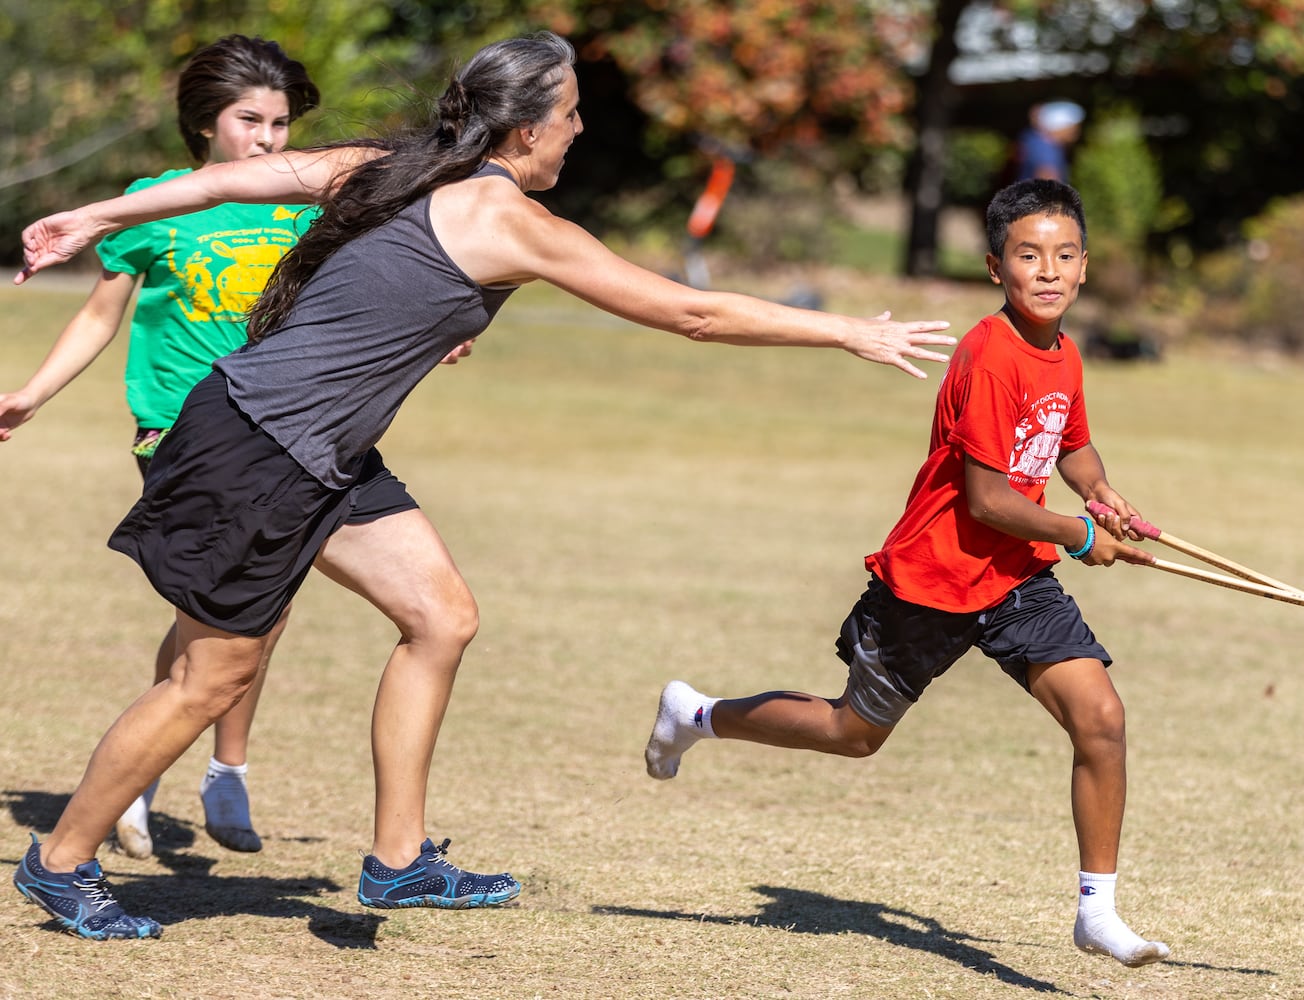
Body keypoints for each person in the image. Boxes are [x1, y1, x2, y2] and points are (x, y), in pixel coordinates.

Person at [9, 30, 954, 941]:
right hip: (261, 446)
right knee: (211, 677)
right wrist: (844, 331)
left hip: (321, 451)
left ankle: (399, 861)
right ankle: (62, 860)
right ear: (526, 128)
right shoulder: (508, 220)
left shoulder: (402, 165)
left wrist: (100, 213)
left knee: (441, 616)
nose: (580, 131)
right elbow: (691, 311)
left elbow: (235, 178)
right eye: (572, 114)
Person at [645, 178, 1172, 969]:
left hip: (1015, 577)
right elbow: (988, 498)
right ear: (997, 268)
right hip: (934, 577)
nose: (1049, 270)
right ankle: (698, 715)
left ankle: (1097, 910)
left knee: (1101, 719)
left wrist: (1098, 490)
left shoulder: (1062, 351)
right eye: (1029, 256)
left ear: (1086, 267)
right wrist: (1078, 532)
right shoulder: (990, 356)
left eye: (1065, 255)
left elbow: (1068, 439)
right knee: (851, 734)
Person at [0, 35, 322, 860]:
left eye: (280, 123)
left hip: (279, 429)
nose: (269, 139)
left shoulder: (305, 204)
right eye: (250, 119)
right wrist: (34, 391)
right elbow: (101, 313)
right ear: (205, 125)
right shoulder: (157, 202)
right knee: (226, 613)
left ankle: (200, 772)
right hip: (179, 429)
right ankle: (183, 777)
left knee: (243, 615)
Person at [1016, 101, 1085, 183]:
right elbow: (1048, 184)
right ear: (1059, 126)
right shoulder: (1046, 150)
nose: (1076, 130)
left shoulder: (1035, 140)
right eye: (1072, 126)